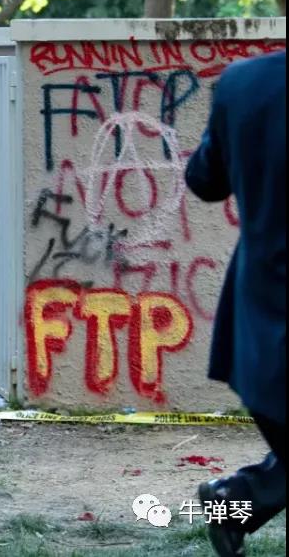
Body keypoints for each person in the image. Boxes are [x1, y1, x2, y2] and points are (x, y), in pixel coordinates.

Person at [185, 49, 286, 557]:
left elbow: (204, 180)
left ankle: (233, 502)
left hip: (262, 311)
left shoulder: (243, 83)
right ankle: (233, 501)